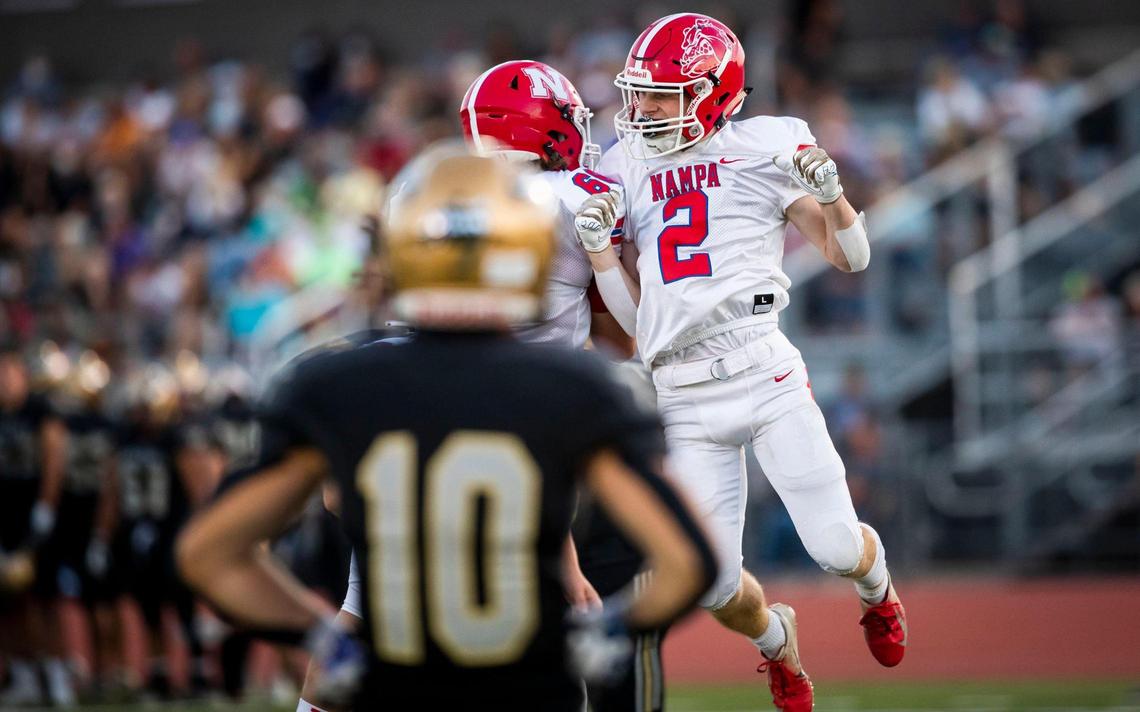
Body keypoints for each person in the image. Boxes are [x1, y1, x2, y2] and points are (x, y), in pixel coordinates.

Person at [177, 147, 717, 711]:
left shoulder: (335, 384)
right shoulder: (575, 388)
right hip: (528, 689)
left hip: (394, 684)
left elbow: (207, 554)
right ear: (527, 252)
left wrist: (322, 638)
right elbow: (688, 561)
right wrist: (601, 635)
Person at [575, 12, 909, 711]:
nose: (643, 110)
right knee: (713, 583)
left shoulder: (767, 146)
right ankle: (777, 644)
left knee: (837, 548)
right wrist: (604, 253)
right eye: (639, 93)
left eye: (662, 95)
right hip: (680, 393)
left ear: (713, 93)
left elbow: (852, 258)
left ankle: (877, 594)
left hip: (764, 369)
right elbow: (640, 326)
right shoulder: (624, 162)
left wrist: (831, 193)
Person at [295, 60, 651, 712]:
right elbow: (625, 331)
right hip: (511, 413)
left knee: (364, 605)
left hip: (396, 400)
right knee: (538, 620)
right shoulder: (575, 196)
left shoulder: (422, 187)